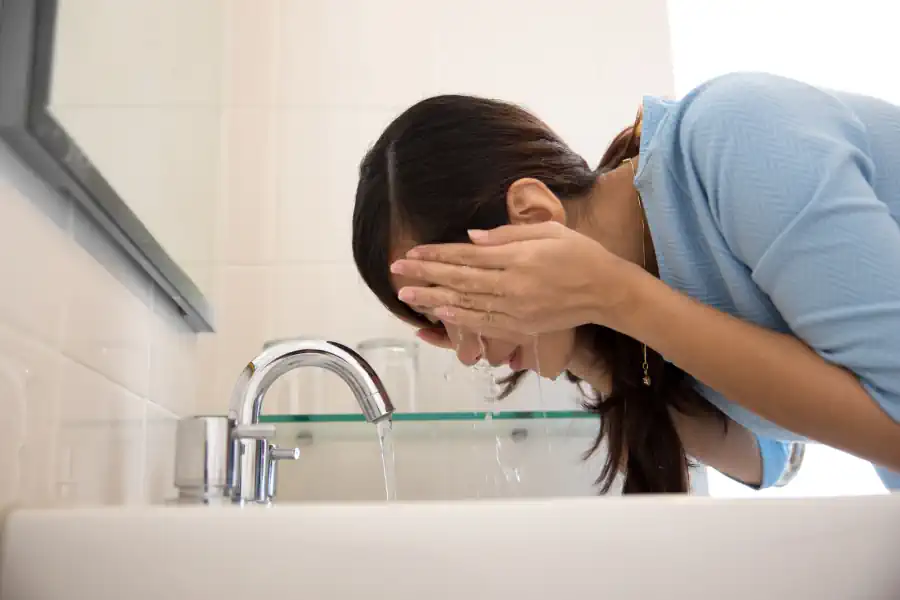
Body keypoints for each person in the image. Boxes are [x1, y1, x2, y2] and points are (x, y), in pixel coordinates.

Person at [351, 71, 900, 494]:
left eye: (459, 299)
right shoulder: (646, 289)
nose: (470, 353)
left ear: (535, 217)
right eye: (442, 323)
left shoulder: (737, 137)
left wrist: (617, 296)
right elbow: (770, 454)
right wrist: (589, 350)